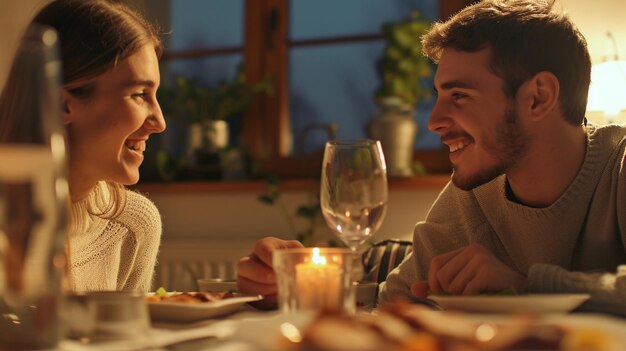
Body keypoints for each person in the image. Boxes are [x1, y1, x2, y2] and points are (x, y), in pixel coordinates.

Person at [237, 0, 626, 315]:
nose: (435, 122)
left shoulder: (619, 167)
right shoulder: (474, 191)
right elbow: (393, 307)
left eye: (459, 96)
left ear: (538, 97)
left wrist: (524, 288)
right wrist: (292, 293)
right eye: (439, 96)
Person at [0, 0, 166, 292]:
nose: (159, 122)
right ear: (61, 104)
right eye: (140, 94)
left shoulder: (134, 225)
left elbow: (128, 339)